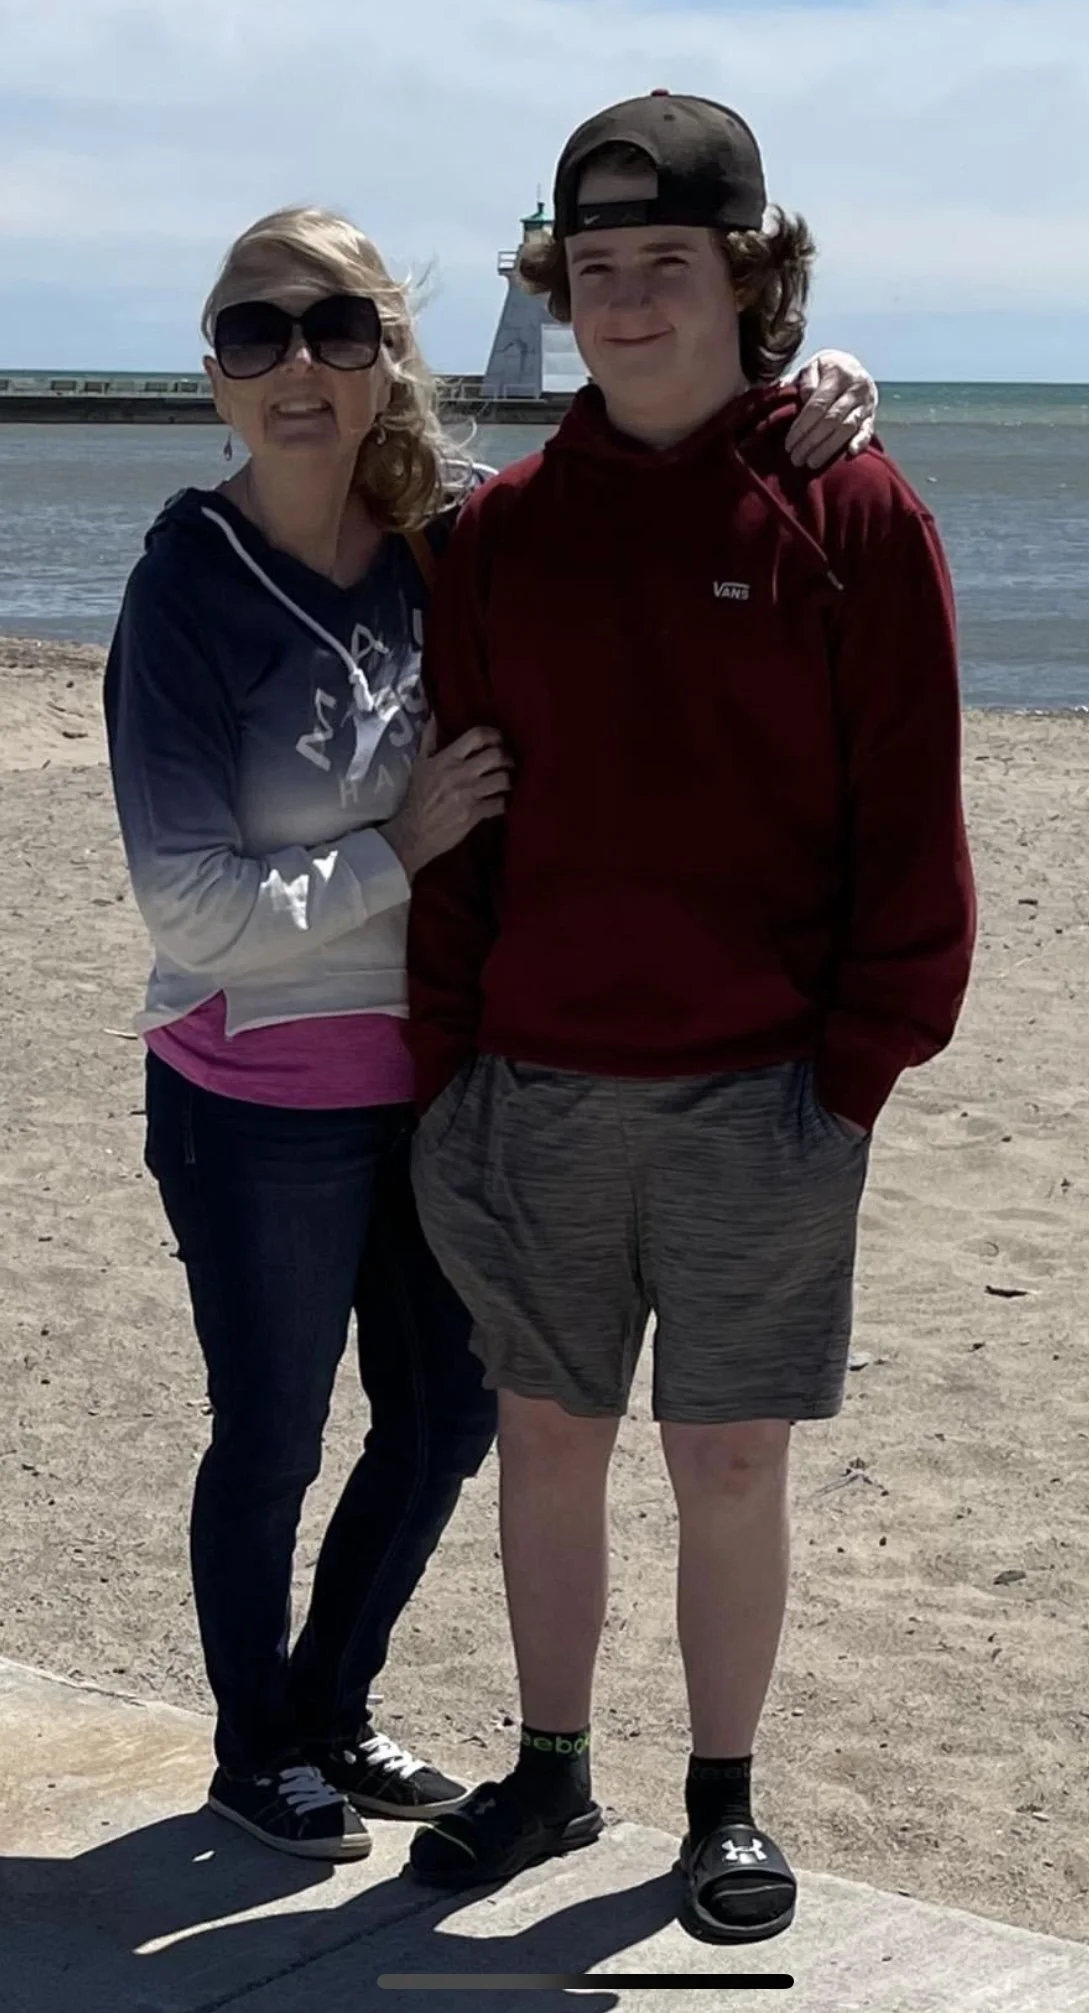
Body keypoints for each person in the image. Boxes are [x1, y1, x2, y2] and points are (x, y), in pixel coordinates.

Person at [104, 201, 879, 1863]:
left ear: (392, 356)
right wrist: (401, 852)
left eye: (336, 331)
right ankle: (259, 1744)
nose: (298, 367)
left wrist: (818, 390)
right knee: (273, 1435)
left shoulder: (449, 538)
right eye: (256, 335)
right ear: (217, 377)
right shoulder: (185, 583)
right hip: (257, 1096)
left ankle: (331, 1702)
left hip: (451, 1085)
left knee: (449, 1421)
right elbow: (183, 907)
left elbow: (648, 499)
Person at [406, 92, 977, 1944]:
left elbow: (910, 823)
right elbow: (461, 822)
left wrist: (856, 1070)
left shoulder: (849, 507)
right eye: (594, 269)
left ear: (749, 275)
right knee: (548, 1437)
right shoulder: (496, 541)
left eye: (667, 263)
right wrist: (450, 1065)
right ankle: (550, 1768)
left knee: (729, 1456)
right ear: (555, 289)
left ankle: (719, 1803)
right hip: (534, 1087)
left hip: (764, 1098)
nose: (629, 301)